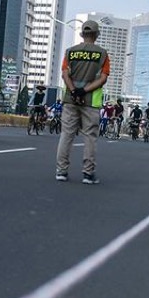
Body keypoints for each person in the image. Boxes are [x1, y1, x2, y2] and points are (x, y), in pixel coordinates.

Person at [55, 20, 110, 184]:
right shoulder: (102, 54)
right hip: (90, 101)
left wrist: (73, 90)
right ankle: (87, 174)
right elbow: (103, 78)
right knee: (90, 137)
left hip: (70, 100)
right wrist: (84, 91)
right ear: (96, 35)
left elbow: (65, 74)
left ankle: (61, 171)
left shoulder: (70, 52)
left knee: (66, 135)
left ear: (82, 34)